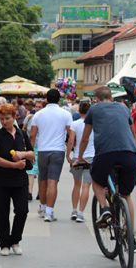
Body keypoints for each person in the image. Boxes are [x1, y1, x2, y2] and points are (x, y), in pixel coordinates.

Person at [75, 86, 136, 250]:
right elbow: (132, 133)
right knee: (126, 195)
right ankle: (130, 236)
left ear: (95, 99)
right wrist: (134, 152)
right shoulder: (124, 108)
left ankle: (104, 209)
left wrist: (80, 157)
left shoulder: (94, 109)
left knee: (96, 179)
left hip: (106, 154)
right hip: (129, 154)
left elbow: (85, 138)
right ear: (111, 97)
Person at [0, 103, 34, 256]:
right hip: (1, 180)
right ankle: (4, 243)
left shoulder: (22, 134)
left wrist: (22, 155)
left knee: (22, 210)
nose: (4, 122)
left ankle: (15, 240)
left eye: (7, 118)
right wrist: (14, 165)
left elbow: (32, 154)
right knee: (2, 213)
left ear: (14, 117)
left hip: (20, 180)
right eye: (1, 119)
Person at [30, 89, 72, 222]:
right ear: (59, 99)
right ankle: (49, 212)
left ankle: (42, 207)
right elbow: (71, 134)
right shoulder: (65, 114)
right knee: (53, 181)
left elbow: (32, 135)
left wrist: (31, 150)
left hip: (42, 149)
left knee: (42, 180)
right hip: (58, 150)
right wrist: (69, 150)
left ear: (46, 99)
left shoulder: (38, 114)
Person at [66, 101, 95, 223]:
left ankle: (74, 210)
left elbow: (71, 141)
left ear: (79, 111)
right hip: (91, 157)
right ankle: (81, 213)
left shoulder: (74, 124)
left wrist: (68, 155)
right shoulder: (94, 124)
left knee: (76, 184)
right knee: (86, 186)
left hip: (77, 157)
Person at [24, 100, 44, 201]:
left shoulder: (45, 118)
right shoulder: (29, 117)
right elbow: (24, 130)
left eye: (40, 106)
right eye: (36, 106)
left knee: (40, 171)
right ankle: (29, 192)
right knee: (31, 171)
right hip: (32, 146)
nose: (37, 108)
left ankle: (40, 193)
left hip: (42, 146)